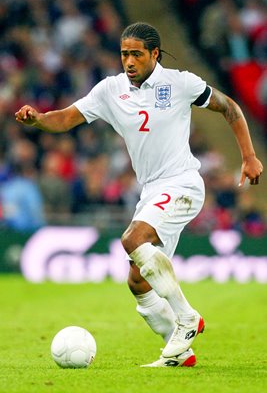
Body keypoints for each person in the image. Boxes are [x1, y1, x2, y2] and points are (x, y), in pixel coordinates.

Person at [15, 22, 263, 367]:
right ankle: (178, 353)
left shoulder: (180, 82)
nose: (128, 61)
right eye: (124, 54)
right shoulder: (110, 90)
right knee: (138, 282)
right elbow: (67, 118)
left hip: (183, 183)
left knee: (133, 238)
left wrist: (248, 156)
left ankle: (187, 318)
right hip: (151, 191)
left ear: (154, 54)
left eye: (136, 54)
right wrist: (38, 119)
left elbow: (230, 108)